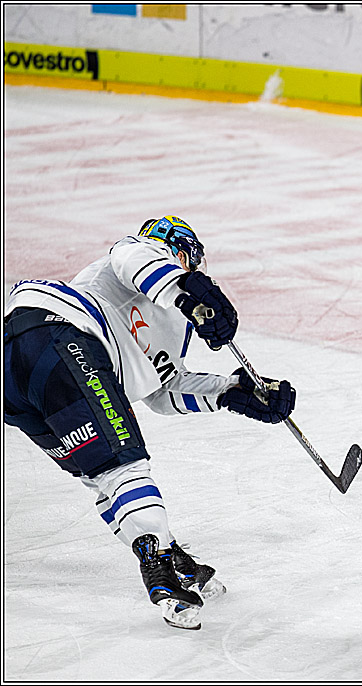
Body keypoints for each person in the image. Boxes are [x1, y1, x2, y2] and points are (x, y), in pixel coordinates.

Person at [3, 216, 296, 630]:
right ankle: (158, 568)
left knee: (102, 476)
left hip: (19, 375)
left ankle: (164, 550)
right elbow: (132, 256)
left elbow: (163, 390)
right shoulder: (139, 257)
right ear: (181, 252)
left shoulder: (172, 323)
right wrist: (188, 293)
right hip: (58, 337)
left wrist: (232, 392)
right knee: (122, 463)